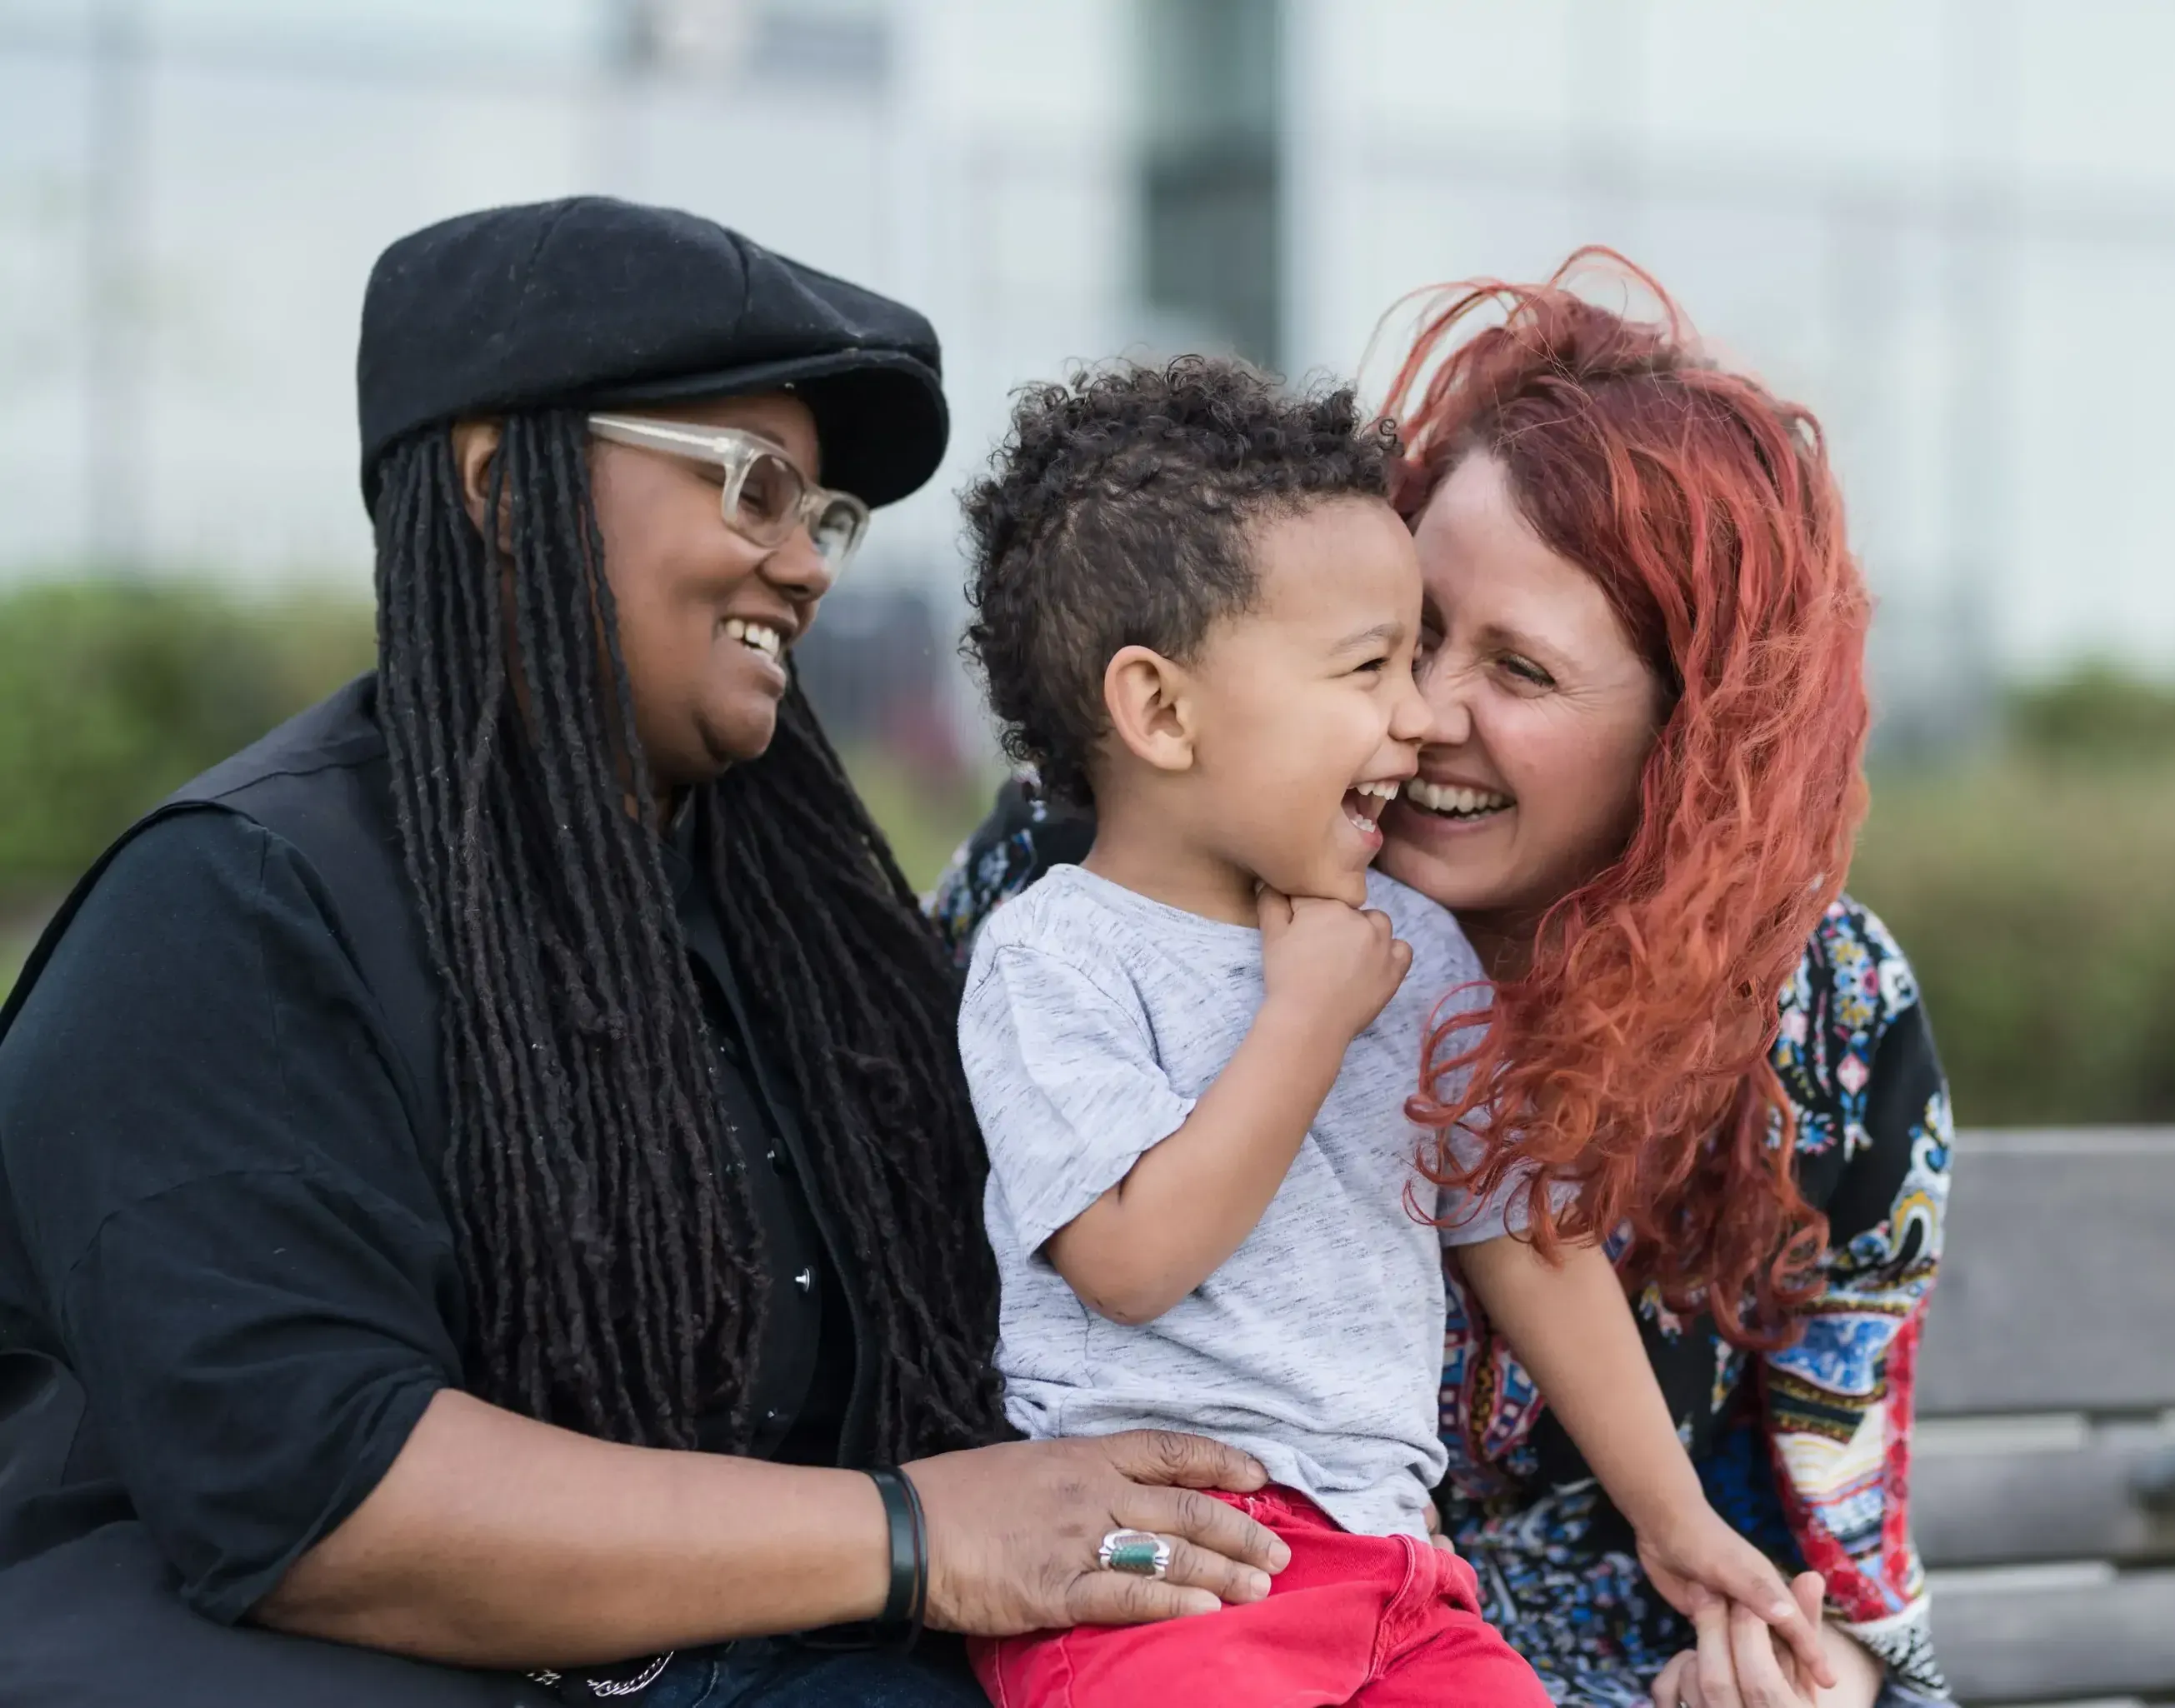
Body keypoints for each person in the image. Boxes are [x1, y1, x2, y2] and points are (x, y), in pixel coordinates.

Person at [0, 197, 1288, 1708]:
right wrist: (914, 1531)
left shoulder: (801, 921)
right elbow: (322, 1493)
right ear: (500, 482)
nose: (807, 564)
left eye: (825, 515)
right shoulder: (235, 905)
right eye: (754, 486)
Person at [931, 252, 1955, 1708]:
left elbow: (1538, 1245)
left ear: (1689, 738)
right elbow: (1102, 1264)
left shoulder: (1795, 1005)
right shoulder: (1061, 905)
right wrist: (1305, 1018)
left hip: (1428, 1607)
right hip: (1169, 1583)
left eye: (1519, 671)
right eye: (1400, 648)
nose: (1421, 717)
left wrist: (1753, 1607)